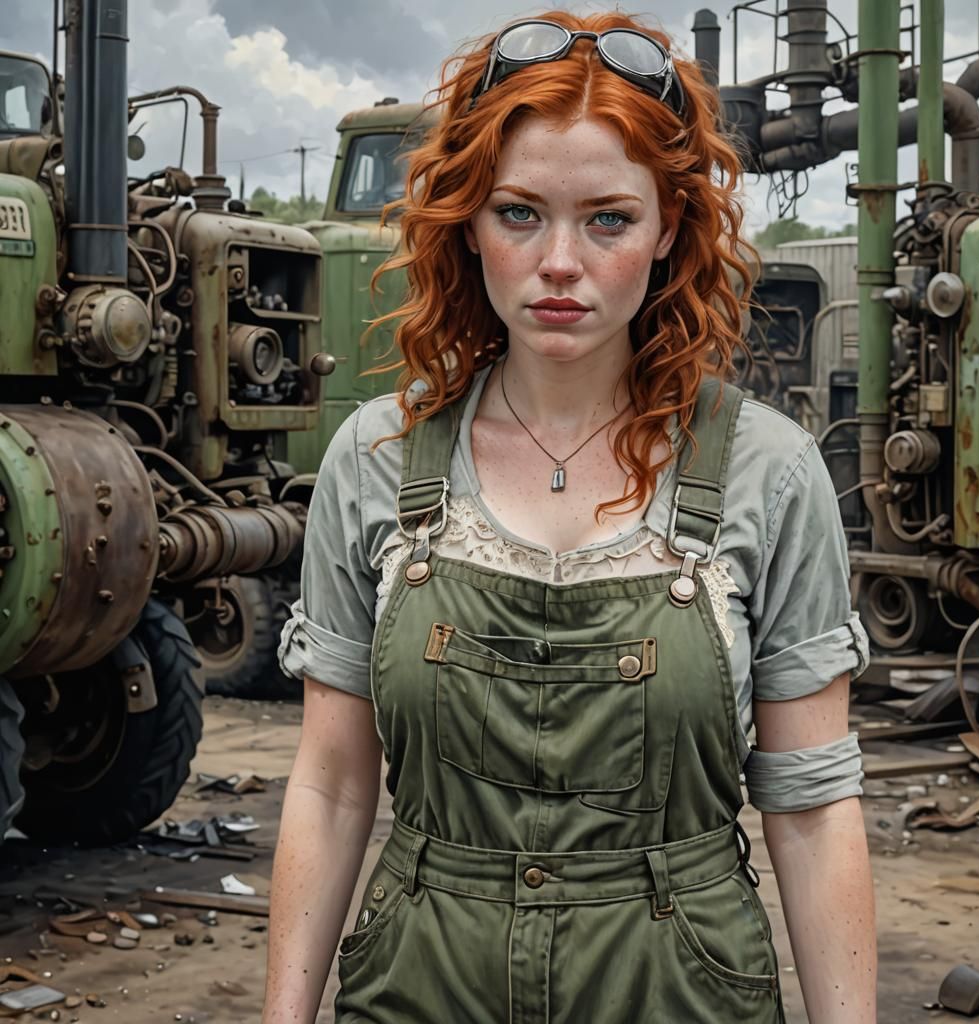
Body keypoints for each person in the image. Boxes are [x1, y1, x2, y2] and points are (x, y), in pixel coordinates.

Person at [264, 11, 876, 1023]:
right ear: (467, 220)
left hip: (680, 987)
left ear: (669, 227)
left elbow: (810, 809)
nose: (560, 262)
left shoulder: (770, 472)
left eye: (607, 218)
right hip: (421, 983)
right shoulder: (374, 460)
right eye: (518, 214)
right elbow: (330, 786)